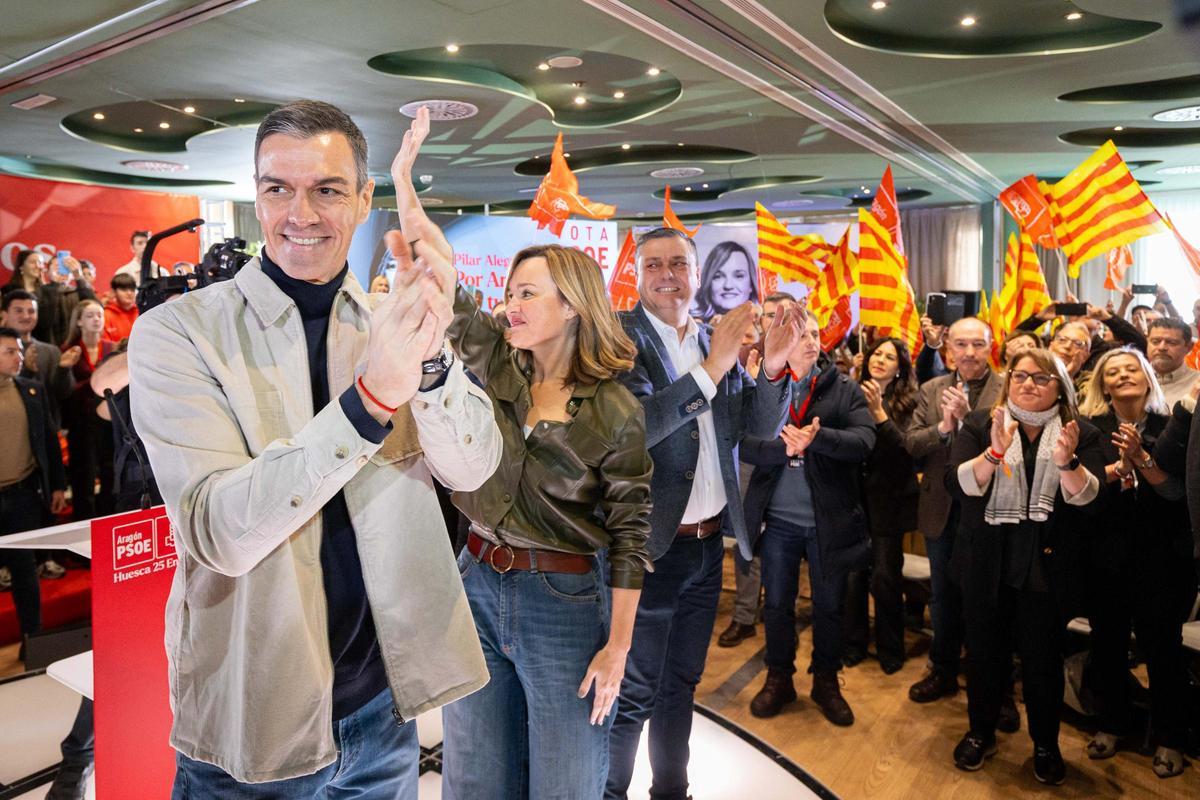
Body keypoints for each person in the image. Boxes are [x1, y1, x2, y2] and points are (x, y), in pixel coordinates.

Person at [128, 99, 502, 796]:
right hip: (253, 723)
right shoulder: (179, 333)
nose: (300, 213)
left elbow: (473, 468)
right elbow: (219, 532)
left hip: (380, 714)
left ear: (365, 199)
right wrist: (368, 405)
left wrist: (426, 356)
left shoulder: (389, 324)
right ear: (258, 194)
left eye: (327, 189)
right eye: (278, 189)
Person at [392, 106, 653, 799]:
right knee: (475, 775)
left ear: (572, 306)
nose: (509, 305)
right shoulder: (498, 367)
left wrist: (618, 647)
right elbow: (439, 271)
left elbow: (631, 537)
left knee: (564, 783)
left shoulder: (615, 411)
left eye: (527, 294)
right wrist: (403, 180)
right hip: (474, 578)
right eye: (508, 293)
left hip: (562, 600)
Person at [606, 226, 797, 800]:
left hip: (708, 546)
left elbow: (756, 429)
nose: (668, 276)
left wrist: (770, 370)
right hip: (650, 550)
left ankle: (672, 790)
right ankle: (609, 792)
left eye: (678, 264)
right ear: (638, 275)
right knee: (633, 691)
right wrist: (714, 366)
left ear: (696, 273)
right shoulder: (621, 338)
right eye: (655, 265)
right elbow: (636, 428)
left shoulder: (715, 336)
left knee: (680, 685)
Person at [948, 348, 1103, 785]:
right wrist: (994, 454)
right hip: (988, 566)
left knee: (1042, 664)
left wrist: (1066, 462)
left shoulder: (1081, 432)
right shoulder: (981, 424)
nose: (1029, 384)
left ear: (1060, 387)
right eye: (1020, 376)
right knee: (983, 658)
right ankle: (980, 733)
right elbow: (956, 485)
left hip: (1045, 570)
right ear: (1008, 380)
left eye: (1041, 377)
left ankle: (1045, 744)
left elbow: (1091, 502)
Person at [742, 311, 876, 724]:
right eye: (801, 335)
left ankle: (826, 680)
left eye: (815, 334)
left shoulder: (843, 388)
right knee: (778, 605)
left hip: (827, 522)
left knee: (829, 606)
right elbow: (744, 444)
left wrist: (819, 440)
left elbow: (865, 440)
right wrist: (782, 450)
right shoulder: (762, 388)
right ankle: (779, 677)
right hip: (779, 521)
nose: (811, 341)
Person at [1077, 348, 1193, 778]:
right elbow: (1083, 494)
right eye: (1114, 371)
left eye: (1132, 369)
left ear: (1148, 378)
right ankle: (1112, 723)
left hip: (1163, 558)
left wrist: (1142, 460)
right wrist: (1116, 468)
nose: (1124, 375)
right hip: (1106, 556)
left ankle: (1170, 737)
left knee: (1163, 650)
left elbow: (1177, 493)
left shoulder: (1173, 426)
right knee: (1107, 644)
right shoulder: (1090, 431)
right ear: (1103, 385)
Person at [905, 317, 1004, 704]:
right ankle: (942, 668)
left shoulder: (1008, 388)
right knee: (943, 596)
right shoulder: (931, 390)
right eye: (960, 344)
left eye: (977, 344)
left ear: (990, 345)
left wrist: (967, 420)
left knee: (989, 599)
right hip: (942, 509)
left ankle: (994, 682)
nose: (968, 352)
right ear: (948, 348)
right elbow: (912, 444)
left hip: (992, 508)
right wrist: (944, 430)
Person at [720, 290, 797, 648]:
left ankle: (783, 613)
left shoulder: (806, 351)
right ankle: (745, 615)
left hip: (793, 469)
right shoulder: (743, 361)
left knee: (784, 542)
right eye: (765, 315)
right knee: (747, 538)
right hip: (752, 460)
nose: (768, 321)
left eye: (776, 315)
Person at [844, 337, 919, 674]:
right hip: (853, 498)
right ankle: (854, 642)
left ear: (900, 368)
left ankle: (891, 647)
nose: (881, 360)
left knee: (886, 578)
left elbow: (907, 452)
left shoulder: (909, 401)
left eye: (890, 357)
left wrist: (878, 414)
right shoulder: (848, 392)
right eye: (877, 354)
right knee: (854, 577)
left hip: (889, 501)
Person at [0, 327, 67, 662]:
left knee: (25, 571)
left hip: (23, 494)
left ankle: (33, 639)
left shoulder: (31, 390)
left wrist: (57, 484)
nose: (19, 357)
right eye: (10, 351)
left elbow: (49, 442)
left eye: (20, 351)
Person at [60, 299, 115, 520]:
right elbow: (63, 391)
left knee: (110, 477)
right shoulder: (68, 351)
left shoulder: (111, 348)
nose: (96, 319)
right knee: (83, 480)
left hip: (109, 424)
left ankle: (109, 523)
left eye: (99, 315)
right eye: (90, 315)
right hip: (80, 424)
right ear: (79, 321)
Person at [1, 289, 76, 428]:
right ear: (4, 314)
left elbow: (64, 393)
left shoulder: (51, 351)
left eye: (31, 311)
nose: (26, 316)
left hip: (47, 428)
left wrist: (63, 369)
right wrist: (27, 371)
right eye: (19, 311)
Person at [3, 249, 97, 346]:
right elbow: (44, 321)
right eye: (56, 266)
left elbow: (95, 307)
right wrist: (55, 284)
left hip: (75, 349)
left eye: (65, 267)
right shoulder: (38, 293)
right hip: (44, 349)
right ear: (48, 272)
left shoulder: (78, 292)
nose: (61, 270)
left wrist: (79, 276)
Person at [691, 240, 758, 321]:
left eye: (739, 276)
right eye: (718, 276)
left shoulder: (764, 324)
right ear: (708, 283)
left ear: (751, 284)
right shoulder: (690, 325)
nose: (728, 285)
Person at [1145, 318, 1198, 409]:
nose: (1162, 347)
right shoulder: (1134, 380)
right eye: (1155, 342)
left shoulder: (1197, 383)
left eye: (1172, 343)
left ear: (1189, 347)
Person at [102, 273, 139, 343]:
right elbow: (106, 346)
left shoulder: (141, 313)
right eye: (124, 289)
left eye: (132, 289)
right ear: (113, 292)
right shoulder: (105, 315)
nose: (129, 293)